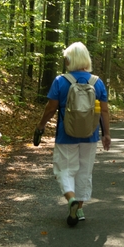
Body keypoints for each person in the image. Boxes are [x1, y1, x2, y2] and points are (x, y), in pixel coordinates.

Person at [34, 42, 111, 227]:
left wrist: (41, 126)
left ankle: (71, 199)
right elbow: (105, 112)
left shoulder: (61, 81)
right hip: (90, 135)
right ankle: (80, 209)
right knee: (85, 172)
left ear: (70, 59)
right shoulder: (97, 82)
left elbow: (51, 108)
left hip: (65, 135)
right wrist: (106, 134)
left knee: (64, 170)